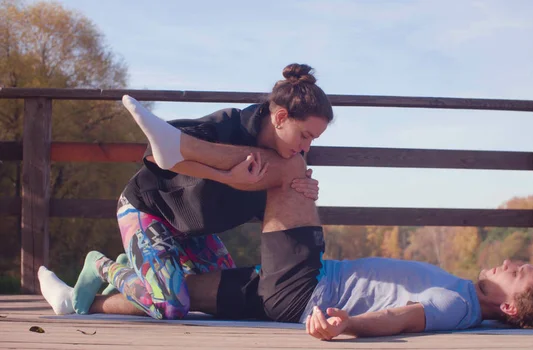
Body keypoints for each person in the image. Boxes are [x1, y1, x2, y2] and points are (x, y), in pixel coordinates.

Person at [40, 97, 533, 339]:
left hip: (306, 286)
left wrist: (349, 326)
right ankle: (95, 283)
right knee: (177, 297)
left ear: (508, 302)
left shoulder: (456, 303)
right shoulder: (461, 293)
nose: (513, 259)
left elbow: (404, 319)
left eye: (523, 270)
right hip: (292, 292)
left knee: (292, 168)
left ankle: (177, 147)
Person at [37, 63, 334, 320]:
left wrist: (299, 193)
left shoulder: (287, 161)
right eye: (305, 135)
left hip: (194, 231)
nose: (306, 148)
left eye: (313, 141)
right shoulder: (231, 124)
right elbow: (154, 155)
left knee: (225, 297)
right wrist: (225, 175)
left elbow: (277, 221)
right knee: (172, 305)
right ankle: (102, 266)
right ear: (280, 117)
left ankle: (144, 270)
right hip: (148, 211)